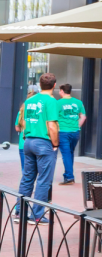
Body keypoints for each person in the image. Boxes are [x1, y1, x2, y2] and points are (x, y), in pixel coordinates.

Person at [17, 73, 60, 223]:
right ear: (54, 85)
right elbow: (52, 126)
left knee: (27, 178)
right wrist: (55, 144)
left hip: (28, 141)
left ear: (40, 85)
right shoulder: (51, 101)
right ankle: (37, 215)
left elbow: (24, 122)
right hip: (43, 143)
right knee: (43, 180)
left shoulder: (30, 100)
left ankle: (19, 212)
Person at [57, 83, 85, 185]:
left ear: (62, 91)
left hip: (63, 132)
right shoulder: (78, 102)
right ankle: (68, 175)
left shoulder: (58, 103)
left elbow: (54, 119)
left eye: (59, 90)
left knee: (66, 154)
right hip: (75, 132)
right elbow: (83, 117)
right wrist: (77, 126)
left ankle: (69, 177)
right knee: (70, 153)